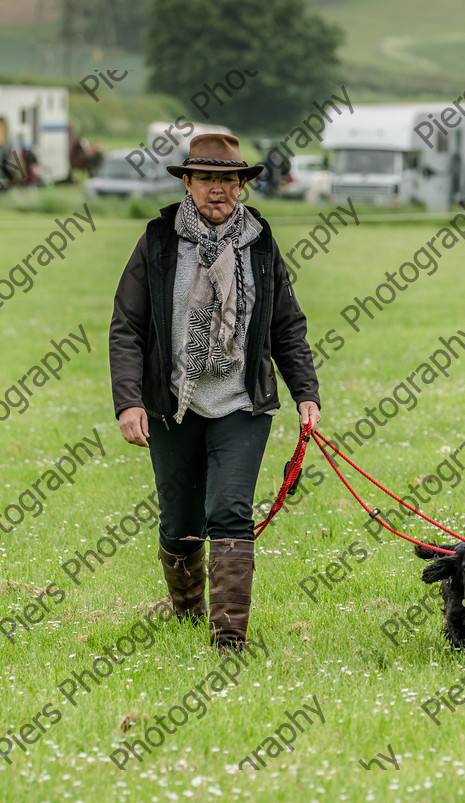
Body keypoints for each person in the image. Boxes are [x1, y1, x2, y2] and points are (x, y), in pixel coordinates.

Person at [109, 133, 321, 652]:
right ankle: (186, 607)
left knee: (229, 511)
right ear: (187, 181)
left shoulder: (261, 243)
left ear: (242, 184)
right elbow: (127, 326)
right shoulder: (158, 241)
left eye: (229, 180)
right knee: (179, 523)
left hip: (241, 403)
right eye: (207, 179)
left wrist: (305, 393)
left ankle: (229, 638)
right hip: (172, 404)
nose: (218, 190)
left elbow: (287, 325)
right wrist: (129, 401)